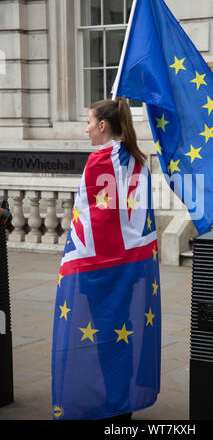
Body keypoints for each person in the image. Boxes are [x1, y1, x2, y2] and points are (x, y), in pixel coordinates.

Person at [51, 97, 161, 421]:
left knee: (101, 338)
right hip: (132, 268)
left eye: (88, 121)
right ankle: (122, 401)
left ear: (102, 125)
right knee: (122, 335)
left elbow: (92, 221)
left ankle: (110, 404)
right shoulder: (138, 159)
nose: (85, 128)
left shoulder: (99, 161)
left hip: (101, 271)